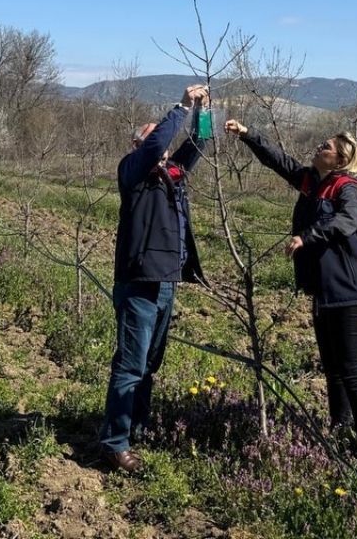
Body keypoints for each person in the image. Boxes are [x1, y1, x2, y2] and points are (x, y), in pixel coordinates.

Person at [224, 119, 357, 460]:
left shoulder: (348, 188)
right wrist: (249, 134)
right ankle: (339, 433)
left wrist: (308, 237)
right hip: (323, 291)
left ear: (340, 160)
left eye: (327, 147)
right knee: (332, 368)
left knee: (351, 369)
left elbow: (347, 221)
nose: (319, 148)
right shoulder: (312, 181)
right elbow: (279, 161)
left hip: (350, 291)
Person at [99, 84, 210, 473]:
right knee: (131, 364)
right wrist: (179, 106)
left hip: (165, 281)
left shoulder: (171, 175)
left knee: (149, 364)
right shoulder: (132, 172)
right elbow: (157, 142)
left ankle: (137, 428)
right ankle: (115, 442)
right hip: (137, 282)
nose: (161, 139)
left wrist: (203, 111)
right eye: (152, 133)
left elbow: (199, 143)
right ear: (136, 144)